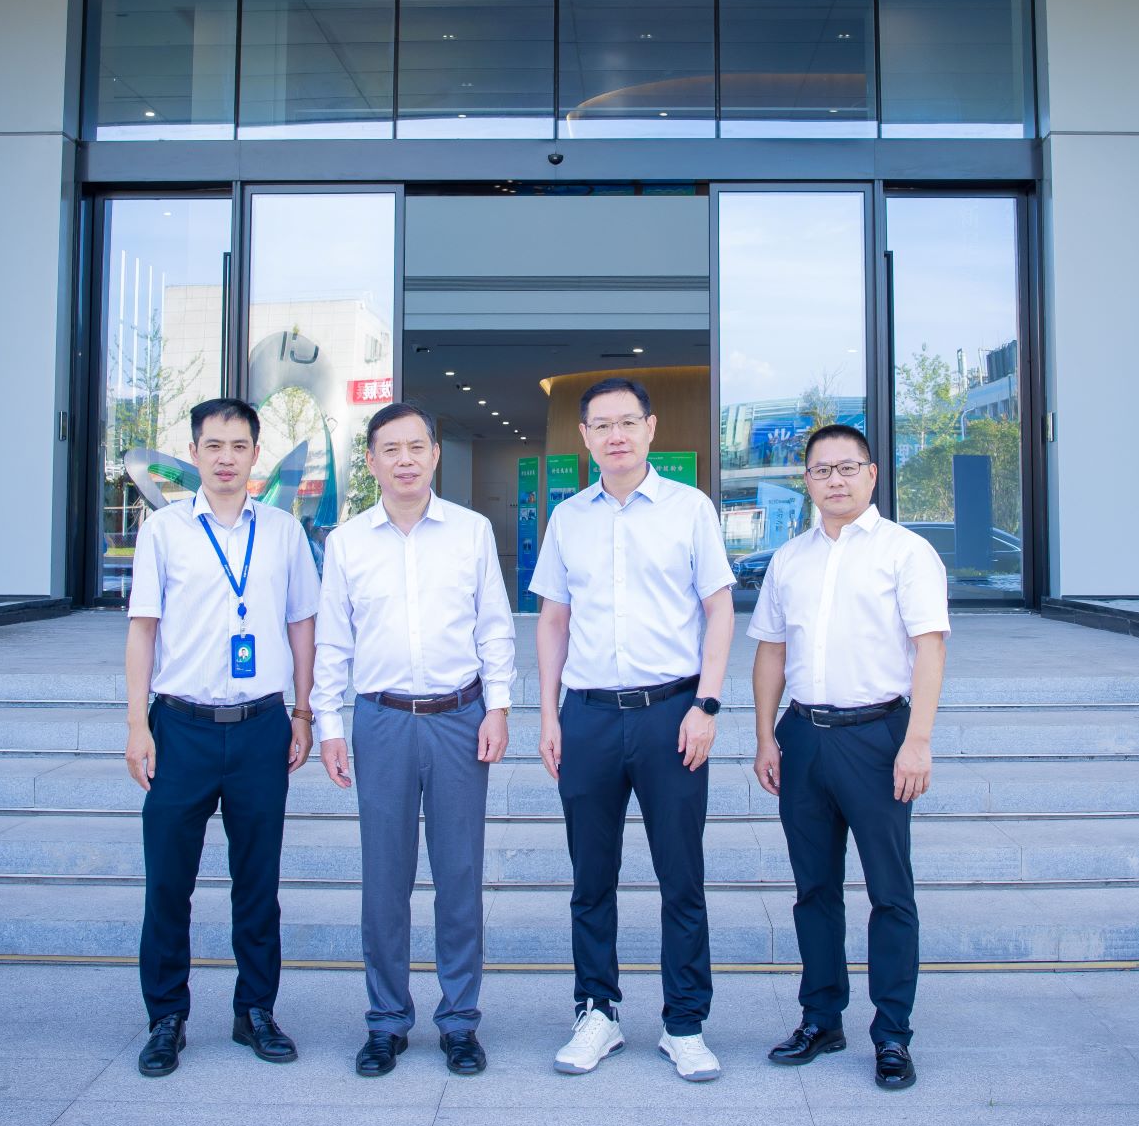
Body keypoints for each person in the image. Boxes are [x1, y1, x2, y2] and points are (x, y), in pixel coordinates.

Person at [529, 377, 736, 1082]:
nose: (615, 436)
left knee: (681, 875)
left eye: (627, 422)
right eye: (601, 425)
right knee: (591, 876)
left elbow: (719, 609)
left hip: (671, 714)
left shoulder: (690, 508)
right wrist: (549, 713)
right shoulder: (568, 518)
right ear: (585, 437)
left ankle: (685, 1023)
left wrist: (706, 705)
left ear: (651, 428)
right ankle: (597, 1012)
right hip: (587, 716)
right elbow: (553, 619)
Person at [313, 402, 516, 1079]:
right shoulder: (347, 543)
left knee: (459, 876)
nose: (404, 460)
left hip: (460, 717)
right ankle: (386, 1020)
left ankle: (459, 1021)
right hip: (382, 720)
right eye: (390, 449)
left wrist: (498, 708)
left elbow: (495, 626)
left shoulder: (471, 532)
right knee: (384, 879)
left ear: (435, 455)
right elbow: (333, 642)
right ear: (371, 461)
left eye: (416, 447)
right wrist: (329, 724)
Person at [123, 397, 321, 1078]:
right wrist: (136, 725)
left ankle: (255, 1010)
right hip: (180, 727)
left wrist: (303, 713)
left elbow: (302, 625)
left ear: (256, 454)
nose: (227, 458)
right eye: (214, 446)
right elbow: (142, 630)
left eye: (239, 446)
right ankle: (166, 1017)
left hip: (261, 727)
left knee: (257, 883)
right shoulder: (164, 531)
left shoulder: (284, 533)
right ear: (195, 453)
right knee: (167, 883)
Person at [749, 423, 949, 1092]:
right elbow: (771, 650)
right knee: (814, 890)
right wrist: (765, 735)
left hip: (878, 737)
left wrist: (917, 740)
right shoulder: (789, 559)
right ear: (806, 480)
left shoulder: (906, 552)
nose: (834, 479)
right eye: (821, 470)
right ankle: (821, 1018)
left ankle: (891, 1033)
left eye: (846, 467)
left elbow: (930, 649)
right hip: (804, 736)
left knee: (890, 893)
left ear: (871, 474)